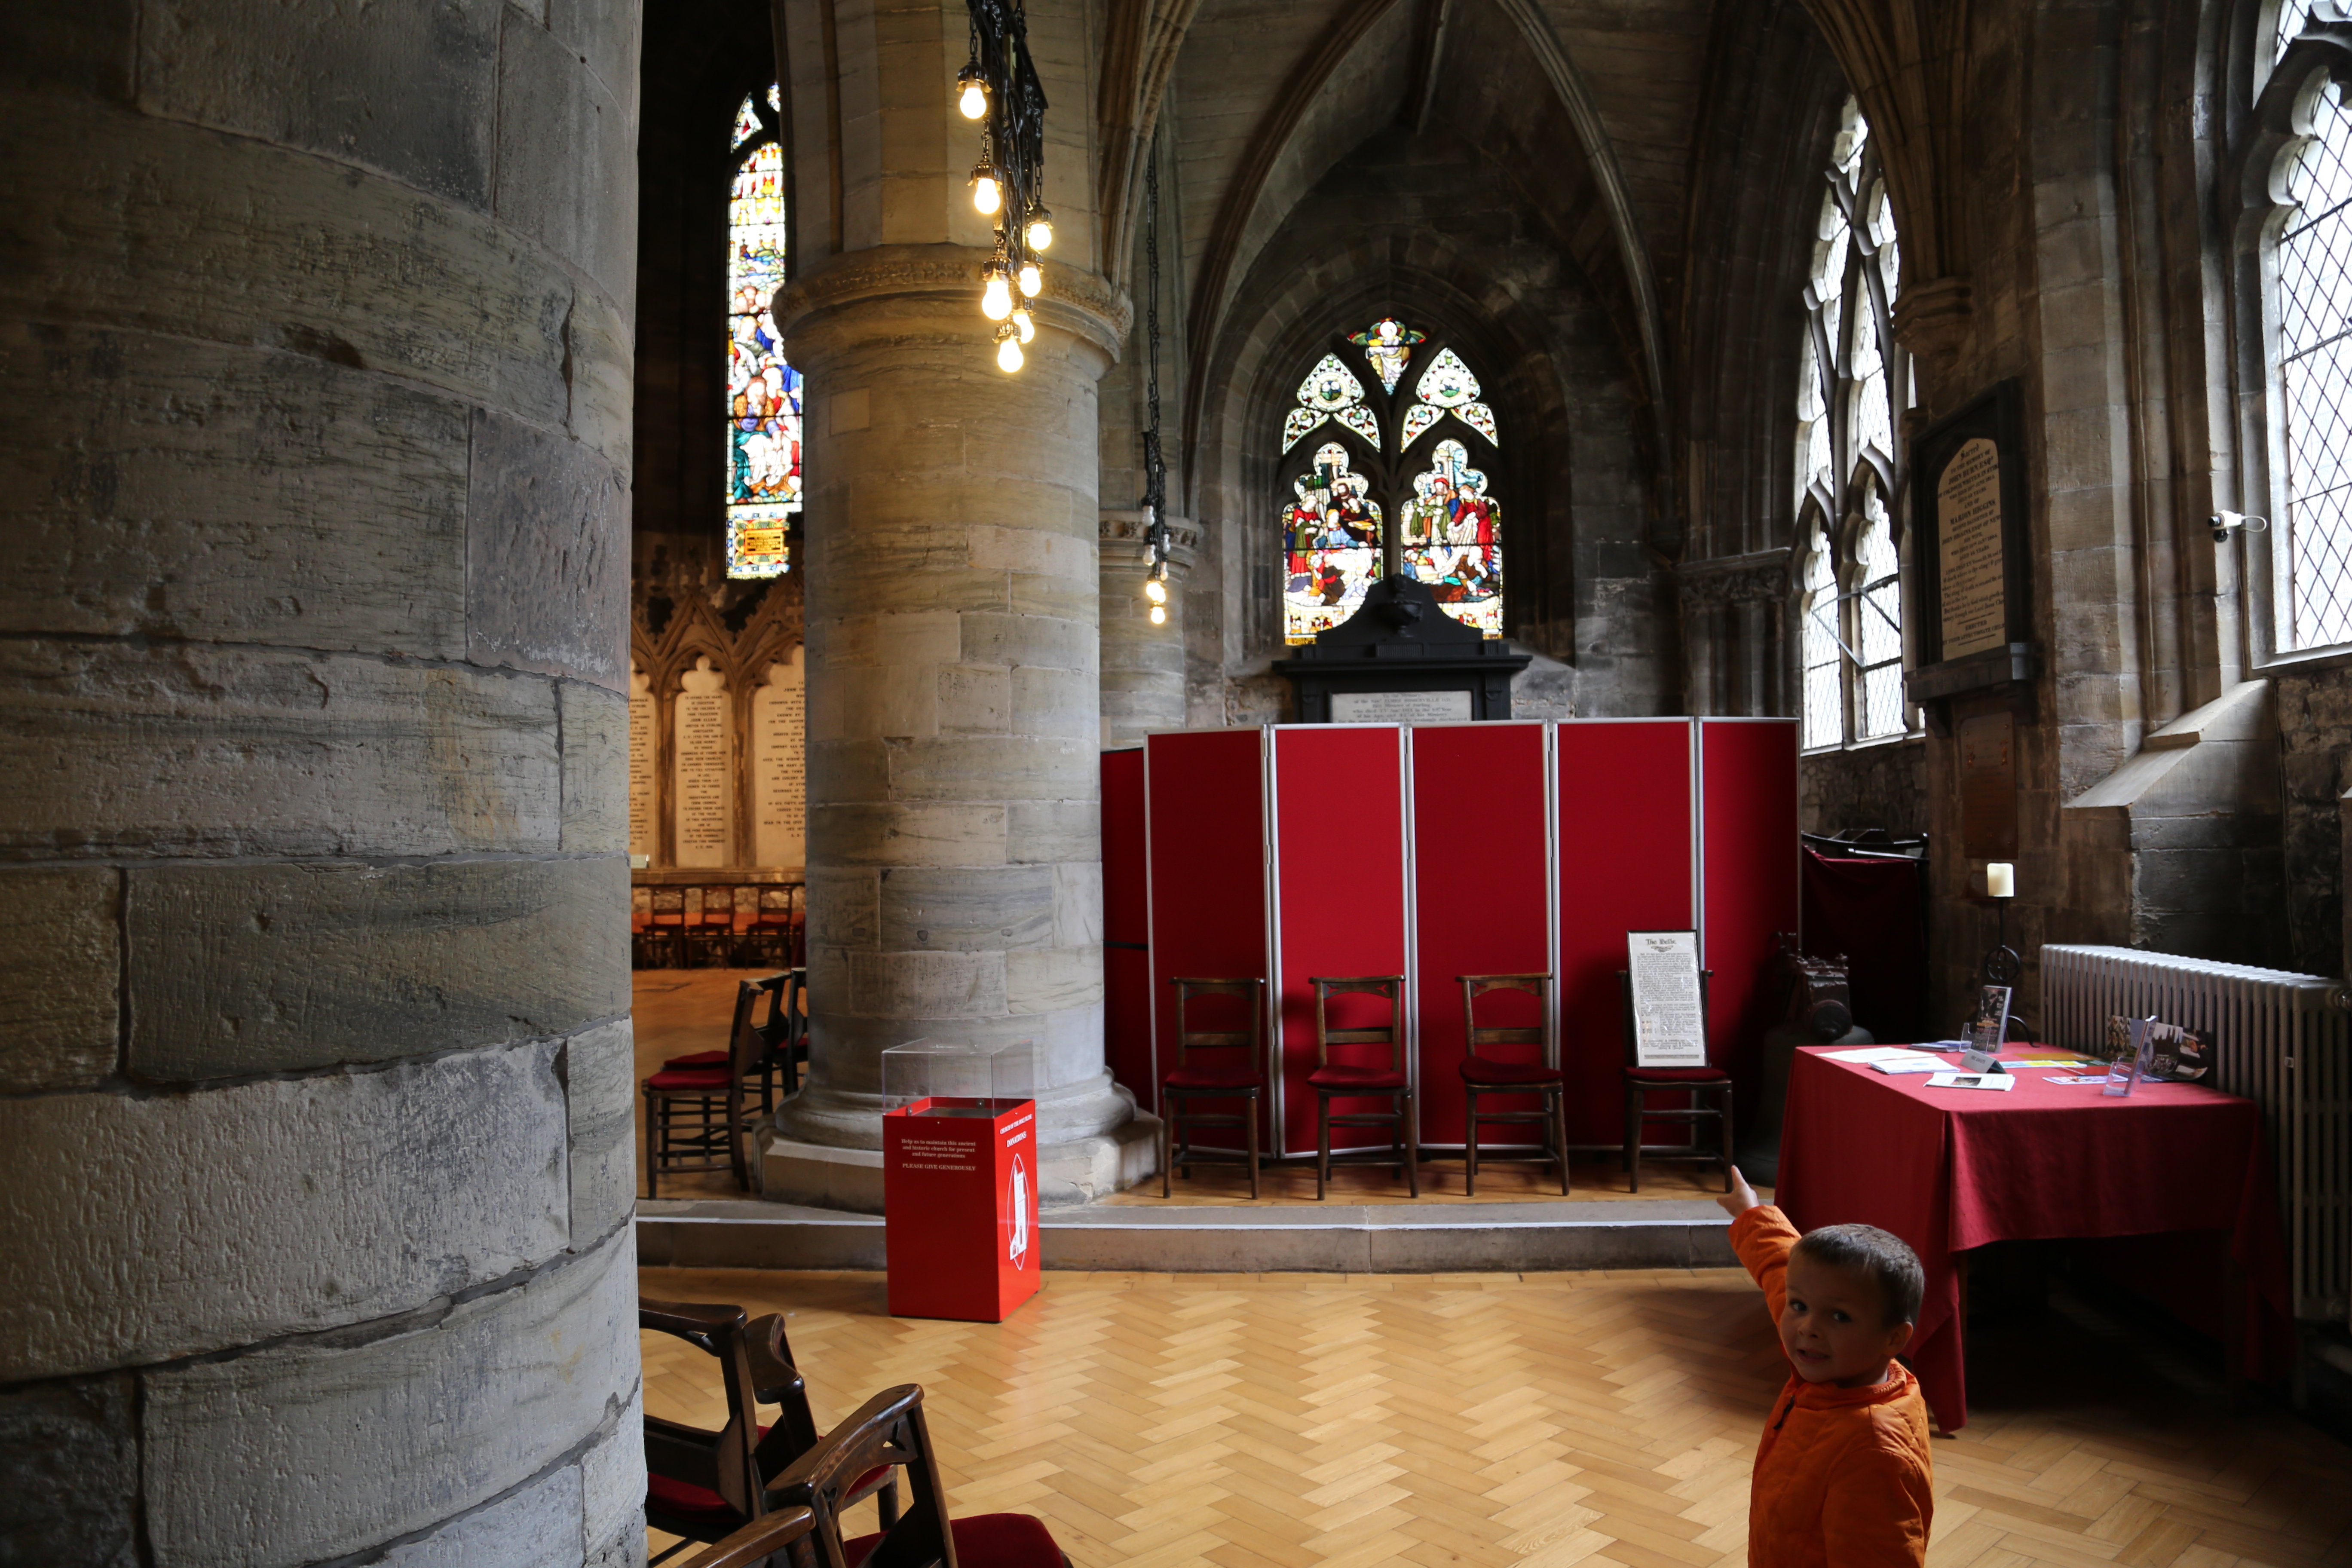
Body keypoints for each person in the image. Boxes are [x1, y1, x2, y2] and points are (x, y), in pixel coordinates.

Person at [1718, 1166, 1933, 1568]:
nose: (1808, 1327)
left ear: (1894, 1339)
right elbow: (1781, 1269)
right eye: (1800, 1307)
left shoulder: (1874, 1452)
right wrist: (1752, 1213)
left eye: (1839, 1317)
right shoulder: (1835, 1362)